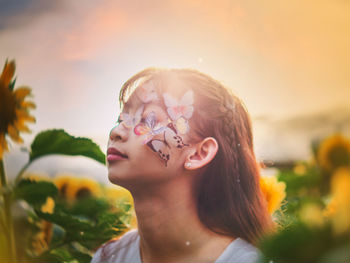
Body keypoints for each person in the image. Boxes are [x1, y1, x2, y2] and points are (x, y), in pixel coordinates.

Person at [91, 68, 274, 263]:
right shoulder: (109, 257)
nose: (116, 131)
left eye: (148, 119)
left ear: (199, 153)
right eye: (122, 118)